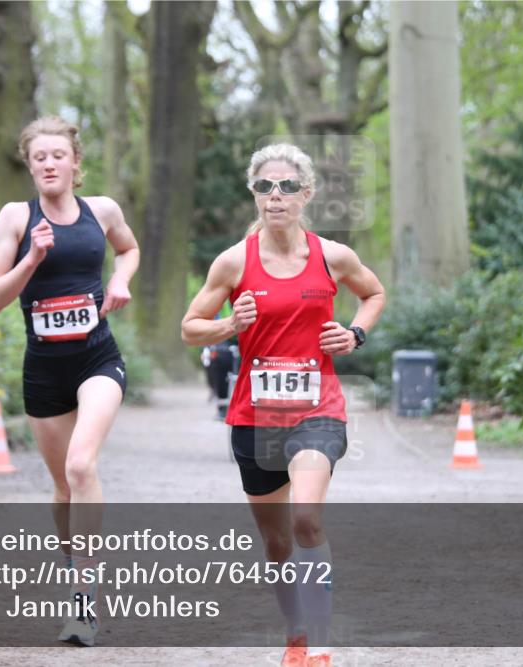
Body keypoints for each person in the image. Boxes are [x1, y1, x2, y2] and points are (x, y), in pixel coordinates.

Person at [181, 143, 386, 667]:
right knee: (275, 543)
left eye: (288, 186)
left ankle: (319, 645)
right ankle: (295, 633)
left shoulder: (332, 256)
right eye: (265, 186)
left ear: (306, 194)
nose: (277, 196)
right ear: (253, 194)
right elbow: (189, 327)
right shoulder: (233, 262)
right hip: (255, 416)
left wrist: (355, 334)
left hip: (319, 409)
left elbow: (375, 293)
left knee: (306, 519)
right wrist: (231, 325)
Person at [0, 115, 139, 647]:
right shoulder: (15, 217)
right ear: (30, 166)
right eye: (38, 158)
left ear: (75, 161)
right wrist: (32, 257)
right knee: (60, 487)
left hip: (97, 358)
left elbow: (129, 248)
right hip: (44, 368)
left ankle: (84, 603)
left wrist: (119, 279)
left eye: (57, 155)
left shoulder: (103, 211)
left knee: (80, 465)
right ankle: (78, 574)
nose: (49, 164)